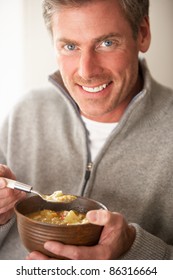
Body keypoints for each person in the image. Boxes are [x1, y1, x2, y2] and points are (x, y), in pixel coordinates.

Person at [0, 0, 173, 260]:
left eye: (106, 43)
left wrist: (132, 249)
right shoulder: (25, 112)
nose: (86, 71)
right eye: (70, 46)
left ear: (143, 34)